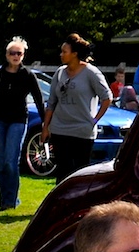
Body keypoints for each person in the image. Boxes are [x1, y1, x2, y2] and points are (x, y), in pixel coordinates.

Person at [0, 37, 46, 210]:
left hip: (18, 121)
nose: (15, 56)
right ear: (6, 55)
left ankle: (11, 201)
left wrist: (45, 123)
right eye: (12, 53)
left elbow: (39, 99)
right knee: (2, 162)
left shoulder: (28, 75)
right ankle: (4, 199)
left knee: (11, 161)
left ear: (23, 55)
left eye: (19, 53)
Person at [39, 34, 112, 181]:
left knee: (80, 173)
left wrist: (94, 120)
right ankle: (61, 203)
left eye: (64, 52)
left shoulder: (91, 73)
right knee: (62, 173)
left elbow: (107, 98)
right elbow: (51, 102)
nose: (61, 55)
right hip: (60, 129)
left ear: (75, 54)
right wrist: (46, 127)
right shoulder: (60, 73)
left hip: (82, 132)